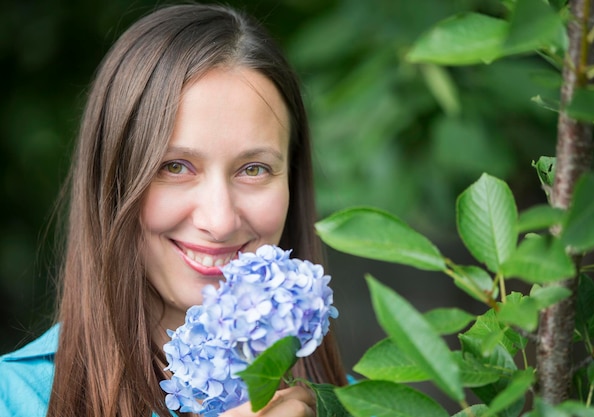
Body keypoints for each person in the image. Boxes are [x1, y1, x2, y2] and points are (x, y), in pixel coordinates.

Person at [0, 4, 347, 417]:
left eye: (253, 169)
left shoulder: (367, 406)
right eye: (175, 167)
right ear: (111, 183)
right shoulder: (13, 400)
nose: (219, 222)